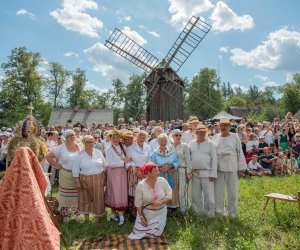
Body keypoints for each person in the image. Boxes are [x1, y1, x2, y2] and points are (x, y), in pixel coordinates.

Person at [212, 118, 247, 218]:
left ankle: (232, 212)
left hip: (231, 166)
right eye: (222, 125)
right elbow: (212, 153)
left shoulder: (235, 137)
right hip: (218, 167)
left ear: (229, 127)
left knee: (232, 190)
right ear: (219, 126)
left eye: (226, 125)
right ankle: (219, 211)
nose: (223, 127)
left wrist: (241, 168)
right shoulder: (215, 137)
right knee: (218, 191)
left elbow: (240, 152)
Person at [128, 163, 172, 240]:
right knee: (137, 234)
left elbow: (170, 195)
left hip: (160, 213)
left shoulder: (162, 181)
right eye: (155, 171)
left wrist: (161, 202)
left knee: (153, 235)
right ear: (148, 173)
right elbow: (138, 204)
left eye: (158, 170)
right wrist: (142, 217)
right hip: (145, 213)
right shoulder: (141, 185)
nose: (158, 172)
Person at [45, 129, 81, 222]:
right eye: (70, 136)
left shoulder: (80, 146)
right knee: (65, 196)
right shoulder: (61, 147)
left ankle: (77, 213)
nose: (72, 137)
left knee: (78, 195)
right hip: (65, 174)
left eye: (73, 135)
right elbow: (48, 156)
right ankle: (66, 215)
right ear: (66, 138)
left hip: (78, 175)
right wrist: (56, 165)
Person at [73, 135, 107, 222]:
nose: (91, 143)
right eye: (88, 142)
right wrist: (77, 180)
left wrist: (105, 177)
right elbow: (75, 169)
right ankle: (86, 219)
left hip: (98, 178)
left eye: (92, 141)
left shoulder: (98, 152)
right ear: (84, 143)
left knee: (98, 198)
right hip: (84, 179)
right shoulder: (79, 155)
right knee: (85, 198)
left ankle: (97, 218)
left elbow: (105, 165)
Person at [189, 124, 217, 218]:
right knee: (195, 195)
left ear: (206, 133)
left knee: (209, 195)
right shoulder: (191, 143)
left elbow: (214, 159)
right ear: (196, 133)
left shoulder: (210, 144)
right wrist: (188, 172)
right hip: (195, 173)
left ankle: (210, 214)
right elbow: (188, 159)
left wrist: (213, 173)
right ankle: (197, 213)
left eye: (203, 132)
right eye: (199, 132)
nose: (201, 133)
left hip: (207, 173)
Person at [105, 130, 130, 225]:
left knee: (121, 192)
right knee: (115, 192)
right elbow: (111, 164)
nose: (115, 139)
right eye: (113, 137)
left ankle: (116, 215)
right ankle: (118, 215)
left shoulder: (123, 146)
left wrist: (126, 162)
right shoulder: (108, 149)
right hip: (113, 173)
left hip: (122, 172)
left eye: (117, 137)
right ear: (110, 138)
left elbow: (128, 157)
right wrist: (124, 162)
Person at [126, 131, 151, 219]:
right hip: (133, 172)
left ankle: (143, 214)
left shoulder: (147, 147)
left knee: (143, 193)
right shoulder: (131, 147)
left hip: (144, 172)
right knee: (133, 193)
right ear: (137, 137)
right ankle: (133, 214)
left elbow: (149, 161)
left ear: (146, 138)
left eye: (144, 137)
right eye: (140, 136)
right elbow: (127, 161)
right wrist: (135, 171)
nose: (142, 138)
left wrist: (144, 171)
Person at [151, 133, 180, 209]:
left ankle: (172, 208)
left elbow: (177, 162)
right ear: (158, 142)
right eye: (161, 141)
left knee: (171, 190)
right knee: (160, 190)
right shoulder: (154, 153)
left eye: (165, 141)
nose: (163, 143)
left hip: (171, 174)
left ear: (167, 141)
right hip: (159, 174)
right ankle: (161, 207)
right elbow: (152, 164)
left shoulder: (172, 151)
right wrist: (159, 168)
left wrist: (170, 166)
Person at [171, 129, 192, 213]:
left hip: (182, 170)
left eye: (180, 135)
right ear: (172, 136)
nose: (178, 137)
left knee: (182, 190)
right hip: (172, 171)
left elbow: (188, 160)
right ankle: (175, 208)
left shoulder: (185, 146)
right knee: (174, 190)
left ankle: (183, 209)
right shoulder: (170, 146)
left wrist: (188, 172)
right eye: (176, 135)